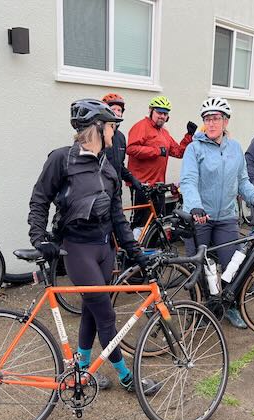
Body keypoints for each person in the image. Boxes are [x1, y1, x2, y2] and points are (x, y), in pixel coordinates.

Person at [27, 98, 158, 394]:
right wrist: (39, 237)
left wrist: (135, 251)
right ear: (97, 128)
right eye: (111, 127)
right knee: (107, 315)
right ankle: (127, 376)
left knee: (91, 311)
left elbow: (116, 217)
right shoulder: (62, 159)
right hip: (77, 249)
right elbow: (39, 199)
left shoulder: (109, 168)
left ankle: (82, 371)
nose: (115, 133)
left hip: (104, 250)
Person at [180, 97, 254, 329]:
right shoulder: (194, 148)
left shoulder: (235, 148)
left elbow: (242, 180)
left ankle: (230, 306)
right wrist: (195, 205)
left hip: (225, 217)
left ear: (225, 122)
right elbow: (188, 180)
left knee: (231, 264)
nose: (211, 123)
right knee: (201, 267)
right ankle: (203, 309)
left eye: (216, 119)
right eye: (207, 119)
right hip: (200, 217)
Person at [126, 96, 197, 237]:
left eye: (165, 114)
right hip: (141, 184)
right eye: (159, 112)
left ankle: (151, 252)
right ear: (151, 111)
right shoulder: (141, 126)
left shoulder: (164, 133)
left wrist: (189, 135)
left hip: (158, 185)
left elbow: (178, 152)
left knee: (156, 222)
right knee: (140, 222)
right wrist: (157, 151)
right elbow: (131, 148)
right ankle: (133, 252)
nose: (162, 116)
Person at [101, 93, 143, 192]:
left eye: (119, 110)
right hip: (100, 192)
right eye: (113, 109)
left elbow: (119, 165)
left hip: (116, 191)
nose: (117, 112)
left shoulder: (120, 137)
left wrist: (131, 178)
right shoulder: (97, 135)